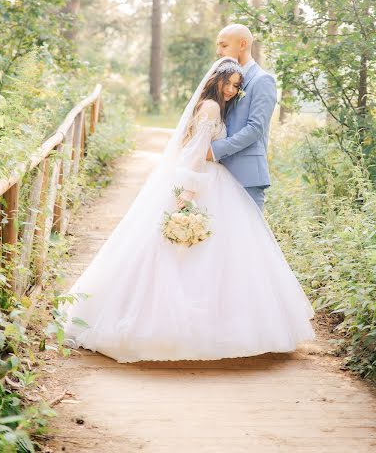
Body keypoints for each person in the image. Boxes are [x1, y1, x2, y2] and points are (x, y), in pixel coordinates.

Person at [60, 52, 316, 363]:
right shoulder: (209, 107)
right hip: (200, 182)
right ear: (216, 80)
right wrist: (189, 193)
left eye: (236, 86)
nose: (232, 91)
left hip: (210, 179)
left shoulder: (212, 105)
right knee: (192, 250)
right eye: (229, 84)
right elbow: (194, 153)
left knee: (203, 251)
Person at [205, 23, 277, 213]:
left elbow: (255, 129)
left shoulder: (263, 80)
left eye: (223, 45)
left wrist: (214, 150)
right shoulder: (224, 79)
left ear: (243, 44)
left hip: (247, 175)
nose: (218, 51)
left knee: (250, 239)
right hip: (218, 173)